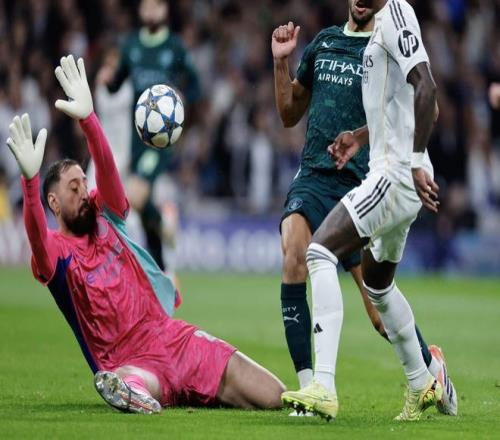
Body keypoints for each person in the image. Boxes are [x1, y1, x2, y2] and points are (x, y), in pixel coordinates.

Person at [6, 55, 284, 414]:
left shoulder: (106, 214)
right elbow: (36, 238)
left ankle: (159, 391)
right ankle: (130, 392)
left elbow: (107, 170)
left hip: (171, 338)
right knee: (131, 381)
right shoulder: (57, 253)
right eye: (73, 189)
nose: (83, 191)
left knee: (273, 394)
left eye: (83, 183)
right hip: (128, 360)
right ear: (54, 204)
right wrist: (30, 184)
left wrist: (89, 120)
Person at [272, 0, 456, 418]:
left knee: (321, 254)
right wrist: (358, 136)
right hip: (335, 175)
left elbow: (428, 95)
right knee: (376, 285)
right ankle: (427, 379)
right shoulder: (335, 41)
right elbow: (291, 112)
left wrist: (414, 161)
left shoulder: (394, 21)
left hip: (384, 177)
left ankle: (324, 387)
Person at [96, 0, 201, 278]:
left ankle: (157, 245)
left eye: (156, 6)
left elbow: (195, 85)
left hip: (162, 139)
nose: (151, 11)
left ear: (165, 10)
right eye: (146, 6)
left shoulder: (174, 47)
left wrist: (181, 100)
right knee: (141, 207)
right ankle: (162, 267)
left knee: (135, 194)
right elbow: (117, 83)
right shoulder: (131, 45)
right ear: (140, 10)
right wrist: (108, 80)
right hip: (137, 136)